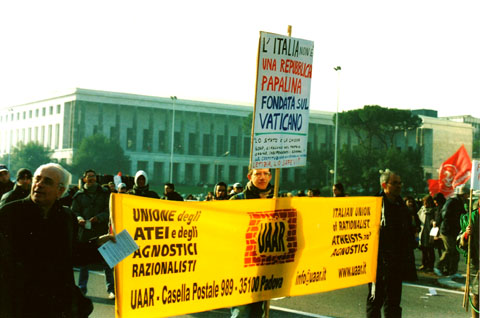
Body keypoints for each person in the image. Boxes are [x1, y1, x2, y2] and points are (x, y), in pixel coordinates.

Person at [0, 163, 115, 318]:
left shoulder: (67, 217)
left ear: (60, 191)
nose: (39, 185)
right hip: (21, 306)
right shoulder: (10, 213)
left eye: (47, 182)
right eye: (37, 179)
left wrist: (98, 244)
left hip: (58, 307)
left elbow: (72, 254)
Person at [366, 170, 417, 318]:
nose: (399, 186)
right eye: (395, 183)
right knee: (375, 301)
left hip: (396, 265)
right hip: (379, 265)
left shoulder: (402, 206)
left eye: (400, 183)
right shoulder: (374, 205)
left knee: (393, 304)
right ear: (384, 185)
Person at [230, 168, 274, 318]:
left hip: (265, 264)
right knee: (241, 310)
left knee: (259, 311)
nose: (262, 177)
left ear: (270, 176)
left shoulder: (276, 200)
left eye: (265, 174)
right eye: (257, 174)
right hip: (242, 264)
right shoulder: (237, 200)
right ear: (250, 176)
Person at [71, 169, 115, 299]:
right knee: (84, 263)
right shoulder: (78, 196)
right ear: (84, 179)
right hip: (85, 232)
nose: (91, 178)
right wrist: (79, 219)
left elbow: (110, 210)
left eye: (93, 176)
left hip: (101, 232)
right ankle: (82, 290)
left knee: (107, 262)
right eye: (89, 176)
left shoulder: (105, 193)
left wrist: (99, 218)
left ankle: (111, 289)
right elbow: (74, 211)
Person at [434, 186, 468, 277]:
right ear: (463, 194)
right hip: (447, 230)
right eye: (467, 194)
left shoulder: (461, 202)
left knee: (456, 251)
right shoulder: (452, 201)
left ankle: (453, 271)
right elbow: (445, 214)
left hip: (454, 230)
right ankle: (438, 267)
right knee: (450, 249)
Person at [459, 199, 479, 318]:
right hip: (477, 262)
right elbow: (460, 241)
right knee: (476, 295)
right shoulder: (471, 218)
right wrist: (466, 234)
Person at [417, 195, 436, 271]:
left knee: (430, 250)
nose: (425, 204)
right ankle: (424, 264)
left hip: (431, 232)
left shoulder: (433, 211)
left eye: (427, 202)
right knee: (423, 249)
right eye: (424, 202)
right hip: (423, 231)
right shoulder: (422, 210)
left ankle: (430, 266)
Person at [432, 192, 446, 259]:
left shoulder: (441, 208)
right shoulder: (440, 207)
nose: (435, 203)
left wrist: (435, 222)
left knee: (442, 248)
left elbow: (438, 219)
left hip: (440, 230)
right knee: (441, 248)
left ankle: (442, 264)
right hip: (439, 230)